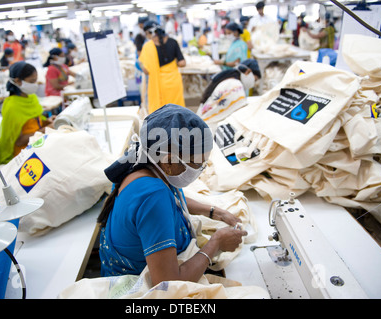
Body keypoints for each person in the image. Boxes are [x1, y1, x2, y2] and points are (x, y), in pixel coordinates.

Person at [98, 104, 246, 283]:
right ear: (169, 161)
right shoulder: (152, 196)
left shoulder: (143, 162)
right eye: (198, 164)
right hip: (137, 287)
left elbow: (171, 201)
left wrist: (214, 211)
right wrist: (216, 243)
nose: (200, 170)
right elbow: (168, 284)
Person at [0, 62, 55, 164]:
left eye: (36, 80)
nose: (35, 85)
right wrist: (46, 129)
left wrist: (47, 122)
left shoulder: (31, 97)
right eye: (32, 81)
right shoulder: (12, 106)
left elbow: (34, 123)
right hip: (25, 154)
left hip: (38, 143)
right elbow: (19, 141)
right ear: (17, 81)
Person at [138, 21, 186, 114]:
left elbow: (146, 71)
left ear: (150, 33)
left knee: (162, 113)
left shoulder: (148, 47)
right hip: (174, 82)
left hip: (158, 85)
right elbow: (182, 63)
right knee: (177, 110)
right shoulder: (173, 42)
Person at [197, 59, 261, 126]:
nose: (253, 83)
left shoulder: (227, 79)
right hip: (211, 128)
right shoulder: (236, 86)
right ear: (248, 72)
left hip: (202, 124)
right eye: (255, 80)